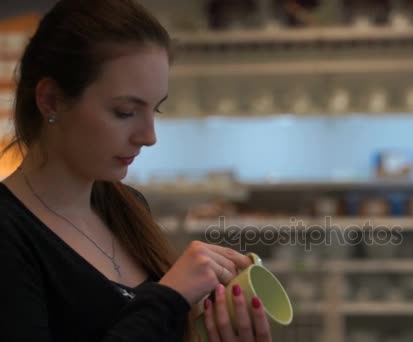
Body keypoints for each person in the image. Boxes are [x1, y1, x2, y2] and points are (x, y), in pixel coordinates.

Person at [0, 1, 272, 341]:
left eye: (155, 109)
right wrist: (168, 297)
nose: (149, 137)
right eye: (125, 111)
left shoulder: (127, 207)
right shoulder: (11, 233)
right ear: (51, 100)